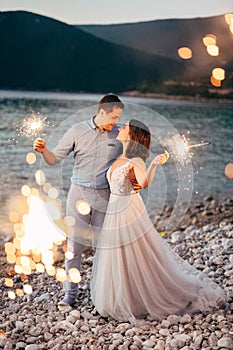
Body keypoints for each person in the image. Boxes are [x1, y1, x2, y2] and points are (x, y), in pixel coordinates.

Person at [91, 119, 226, 323]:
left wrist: (153, 163)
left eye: (125, 126)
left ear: (133, 135)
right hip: (114, 210)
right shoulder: (120, 158)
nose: (120, 128)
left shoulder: (136, 160)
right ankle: (121, 296)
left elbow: (143, 183)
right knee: (117, 253)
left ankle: (141, 298)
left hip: (128, 210)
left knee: (135, 253)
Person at [33, 93, 126, 306]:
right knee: (74, 247)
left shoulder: (119, 135)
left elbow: (131, 158)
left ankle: (101, 295)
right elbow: (54, 159)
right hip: (78, 195)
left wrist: (138, 176)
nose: (116, 121)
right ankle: (70, 295)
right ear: (102, 112)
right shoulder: (76, 130)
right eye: (114, 117)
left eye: (119, 118)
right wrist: (43, 150)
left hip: (105, 195)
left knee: (103, 248)